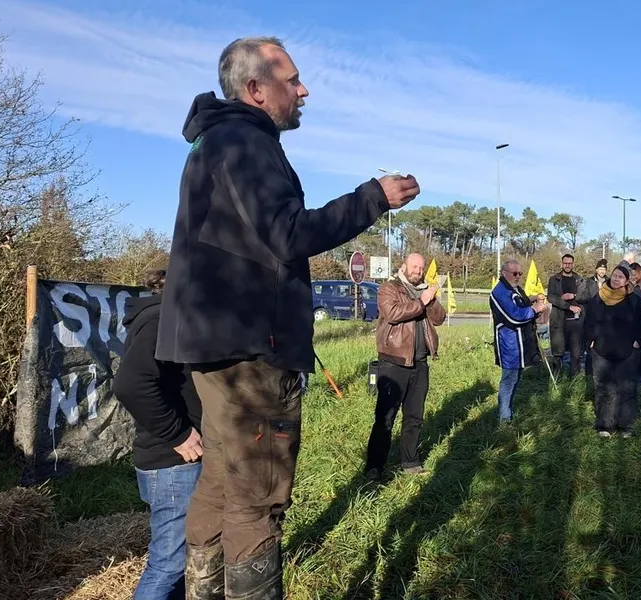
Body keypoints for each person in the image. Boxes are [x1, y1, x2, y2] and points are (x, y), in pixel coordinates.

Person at [156, 36, 421, 599]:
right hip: (254, 349)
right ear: (255, 89)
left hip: (213, 348)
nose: (304, 90)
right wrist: (373, 198)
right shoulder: (247, 144)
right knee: (258, 496)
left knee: (220, 484)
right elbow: (289, 233)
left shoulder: (211, 143)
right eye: (292, 80)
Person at [113, 269, 203, 600]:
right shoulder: (160, 320)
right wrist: (178, 434)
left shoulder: (166, 317)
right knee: (168, 565)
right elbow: (130, 385)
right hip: (173, 463)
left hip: (174, 462)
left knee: (181, 562)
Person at [364, 254, 445, 478]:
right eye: (414, 267)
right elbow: (393, 314)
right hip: (394, 362)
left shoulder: (426, 290)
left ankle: (410, 463)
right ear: (404, 267)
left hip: (420, 363)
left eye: (421, 268)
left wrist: (431, 298)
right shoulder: (390, 288)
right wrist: (421, 302)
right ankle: (374, 466)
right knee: (385, 418)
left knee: (414, 417)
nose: (418, 271)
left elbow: (439, 319)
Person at [584, 262, 641, 438]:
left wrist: (638, 341)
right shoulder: (598, 297)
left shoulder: (634, 299)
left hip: (627, 351)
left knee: (626, 388)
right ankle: (605, 425)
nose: (616, 279)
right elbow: (589, 320)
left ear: (627, 280)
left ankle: (625, 425)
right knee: (604, 388)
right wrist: (590, 339)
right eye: (614, 275)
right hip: (601, 351)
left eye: (621, 277)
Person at [490, 259, 547, 422]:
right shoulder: (499, 292)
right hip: (509, 344)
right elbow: (514, 315)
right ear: (504, 273)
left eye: (520, 273)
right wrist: (534, 309)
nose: (518, 277)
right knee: (508, 379)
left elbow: (521, 303)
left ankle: (507, 411)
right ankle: (504, 417)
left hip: (521, 342)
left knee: (516, 378)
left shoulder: (513, 288)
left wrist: (532, 299)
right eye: (514, 273)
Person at [546, 254, 590, 377]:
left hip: (576, 322)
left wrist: (574, 296)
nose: (567, 265)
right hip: (559, 320)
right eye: (565, 263)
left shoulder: (580, 279)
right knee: (558, 352)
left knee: (575, 353)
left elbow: (586, 296)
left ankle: (573, 379)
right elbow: (551, 297)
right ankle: (557, 379)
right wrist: (568, 306)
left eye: (570, 263)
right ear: (561, 264)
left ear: (573, 264)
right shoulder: (554, 279)